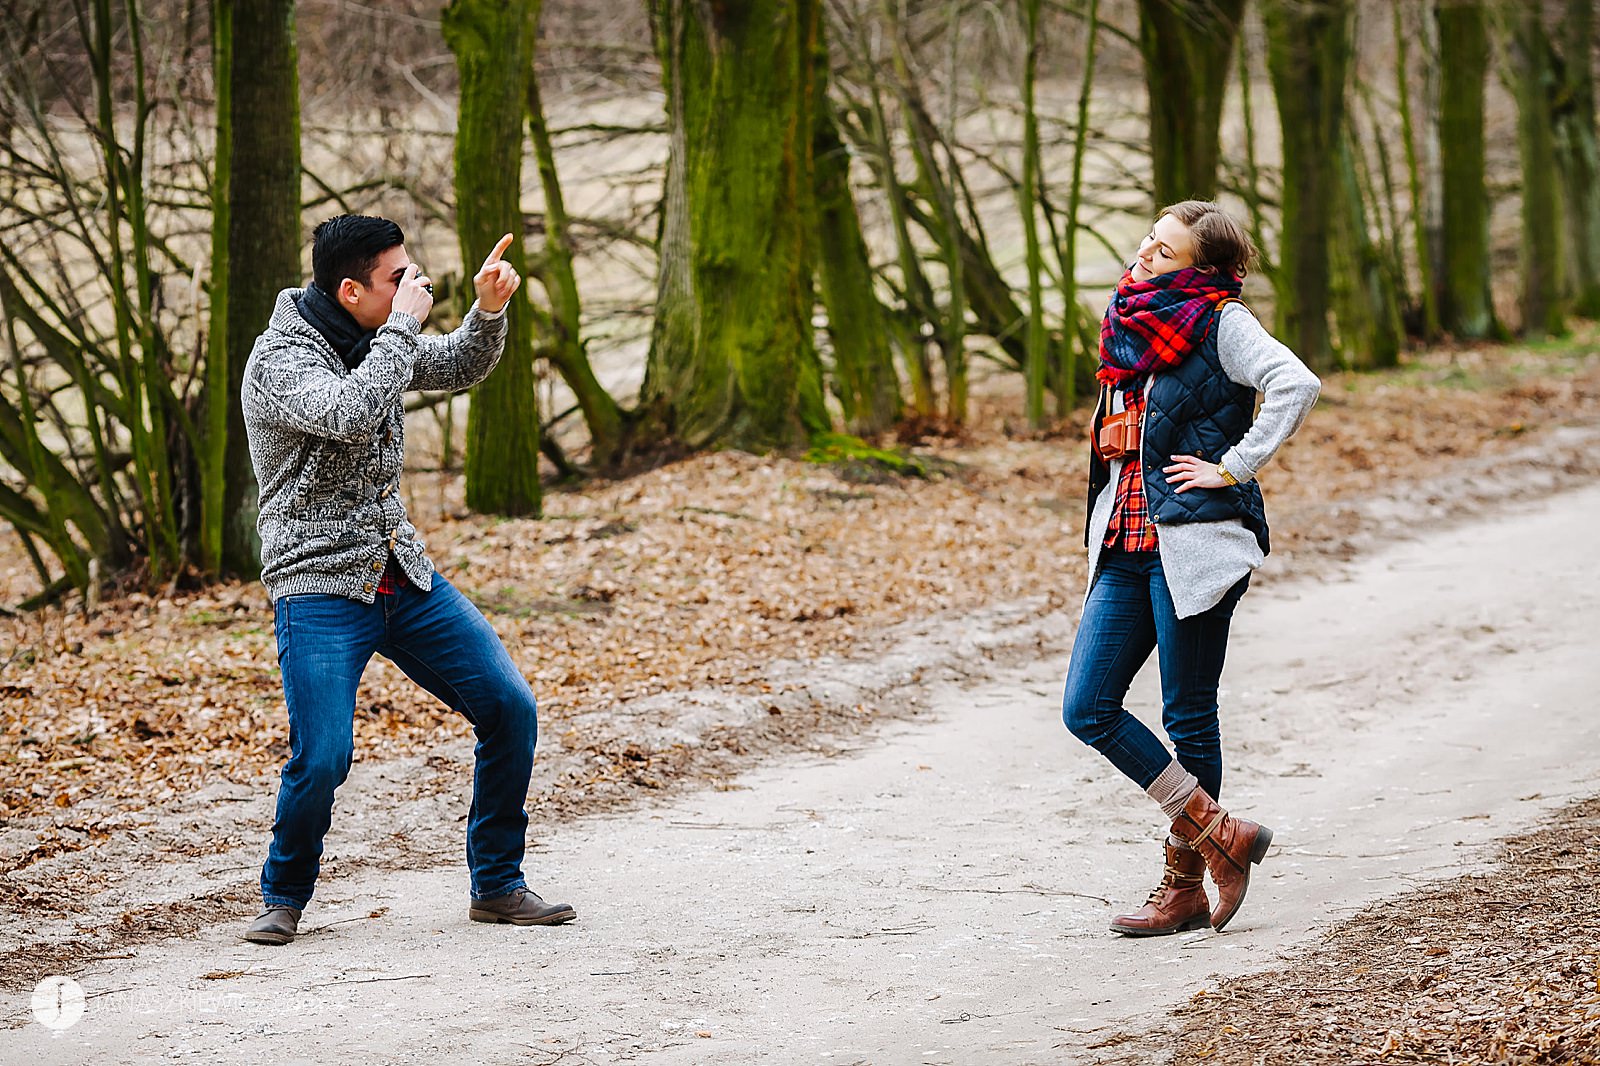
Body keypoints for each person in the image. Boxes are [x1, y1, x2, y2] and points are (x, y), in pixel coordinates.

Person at [239, 214, 574, 945]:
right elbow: (351, 412)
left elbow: (454, 366)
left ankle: (498, 885)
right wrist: (401, 329)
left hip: (403, 574)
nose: (415, 286)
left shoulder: (373, 335)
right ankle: (284, 895)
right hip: (319, 586)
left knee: (509, 707)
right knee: (323, 755)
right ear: (351, 288)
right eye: (399, 279)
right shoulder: (279, 362)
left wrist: (488, 310)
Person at [1061, 200, 1320, 936]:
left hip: (1195, 546)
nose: (1146, 254)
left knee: (1187, 714)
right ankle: (1222, 833)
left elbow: (1296, 384)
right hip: (1123, 546)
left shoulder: (1220, 322)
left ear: (1202, 269)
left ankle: (1181, 890)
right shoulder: (1129, 315)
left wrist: (1232, 467)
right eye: (1149, 239)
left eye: (1165, 252)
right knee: (1088, 708)